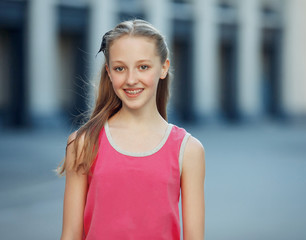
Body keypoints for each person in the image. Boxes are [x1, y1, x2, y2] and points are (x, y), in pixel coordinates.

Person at [56, 19, 205, 240]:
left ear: (163, 68)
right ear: (108, 71)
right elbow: (70, 235)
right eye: (120, 68)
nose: (131, 79)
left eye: (143, 67)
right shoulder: (82, 143)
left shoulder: (189, 150)